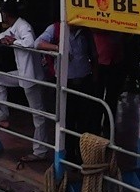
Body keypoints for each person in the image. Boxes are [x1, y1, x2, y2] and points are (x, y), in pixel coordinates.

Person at [0, 1, 50, 163]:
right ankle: (2, 116)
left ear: (6, 14)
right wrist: (3, 39)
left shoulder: (23, 26)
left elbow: (29, 43)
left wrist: (13, 41)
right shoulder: (15, 27)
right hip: (22, 73)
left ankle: (40, 151)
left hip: (31, 76)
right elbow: (0, 35)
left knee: (38, 115)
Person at [35, 22, 97, 163]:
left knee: (84, 122)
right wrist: (58, 48)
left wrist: (95, 78)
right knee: (67, 120)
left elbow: (93, 55)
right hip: (65, 83)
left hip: (84, 81)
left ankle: (82, 155)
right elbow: (38, 43)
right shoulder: (56, 28)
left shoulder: (86, 31)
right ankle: (69, 155)